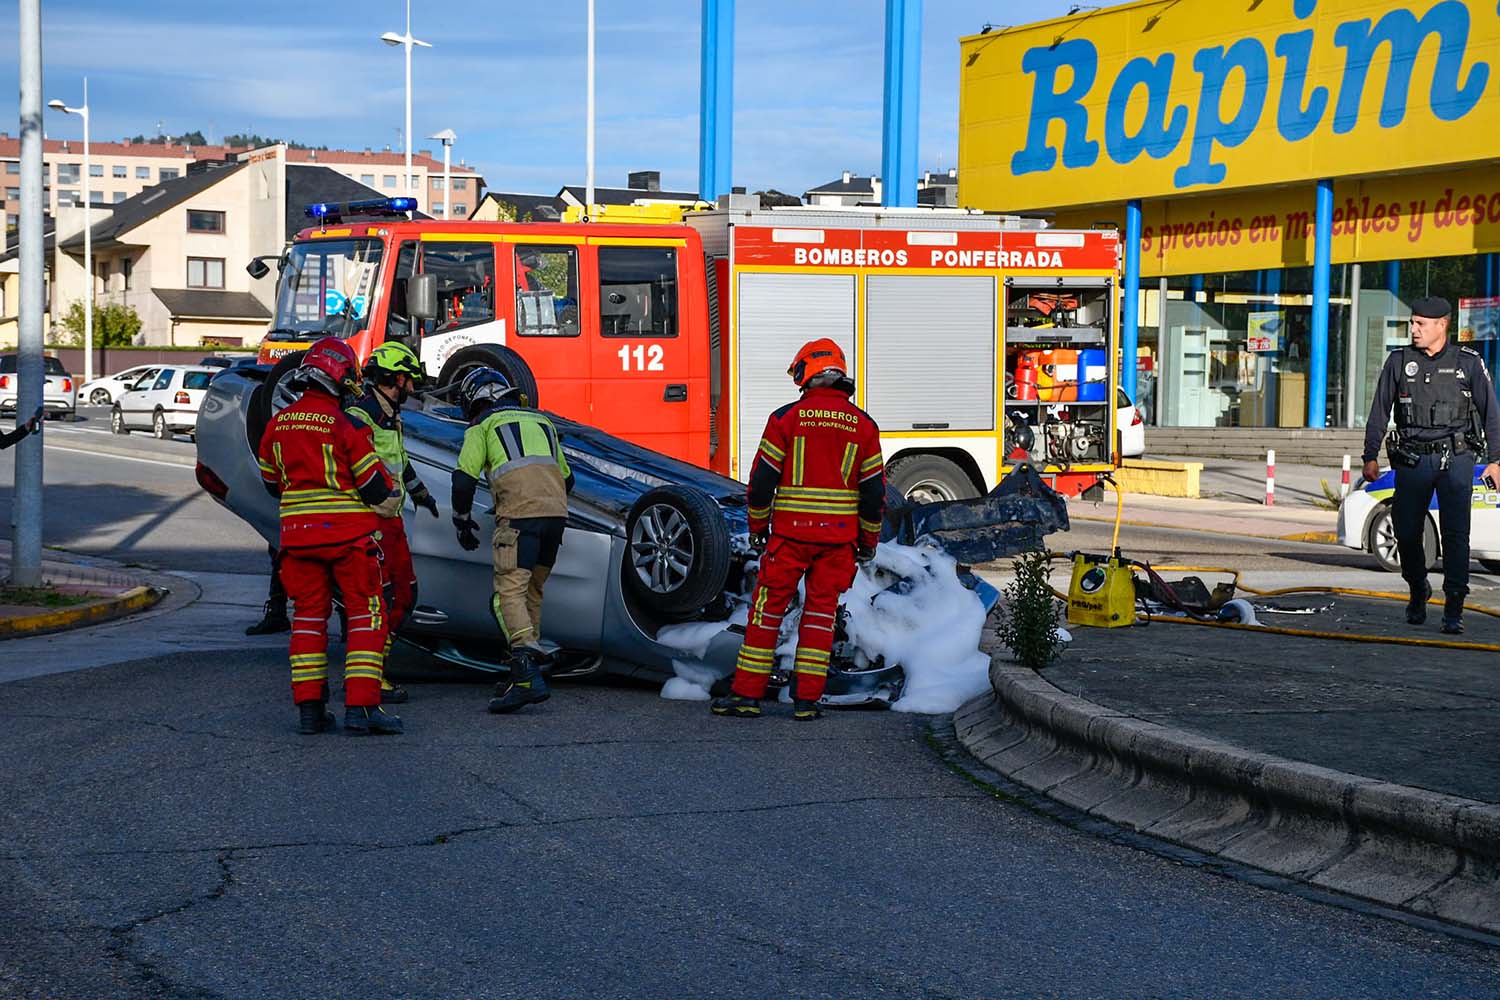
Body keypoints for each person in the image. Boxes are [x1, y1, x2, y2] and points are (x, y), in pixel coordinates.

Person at [712, 338, 885, 721]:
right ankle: (806, 702)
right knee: (821, 617)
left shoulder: (785, 418)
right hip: (838, 543)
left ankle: (746, 696)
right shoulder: (864, 425)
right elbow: (874, 493)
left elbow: (760, 481)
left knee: (766, 614)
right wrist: (867, 542)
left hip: (789, 539)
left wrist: (758, 526)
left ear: (807, 374)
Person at [257, 337, 402, 735]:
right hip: (348, 541)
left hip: (297, 542)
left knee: (306, 619)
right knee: (366, 616)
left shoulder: (277, 424)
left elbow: (271, 483)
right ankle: (361, 709)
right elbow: (375, 488)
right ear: (341, 379)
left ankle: (310, 712)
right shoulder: (345, 424)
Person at [1362, 296, 1500, 634]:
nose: (1414, 329)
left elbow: (1491, 412)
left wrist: (1496, 460)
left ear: (1442, 325)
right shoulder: (1399, 361)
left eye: (1421, 324)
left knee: (1456, 536)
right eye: (1413, 322)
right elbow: (1379, 410)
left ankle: (1454, 608)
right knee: (1406, 531)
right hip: (1412, 458)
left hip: (1457, 458)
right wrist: (1369, 455)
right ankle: (1417, 586)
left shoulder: (1467, 362)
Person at [450, 367, 573, 714]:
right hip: (556, 518)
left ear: (477, 400)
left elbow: (463, 480)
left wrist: (462, 521)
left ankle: (524, 674)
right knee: (533, 590)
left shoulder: (483, 426)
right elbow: (568, 477)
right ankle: (529, 668)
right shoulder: (543, 422)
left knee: (509, 593)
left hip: (519, 518)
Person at [345, 342, 440, 704]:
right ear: (396, 379)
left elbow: (399, 461)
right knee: (379, 600)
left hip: (391, 520)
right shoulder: (361, 414)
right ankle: (371, 676)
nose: (412, 389)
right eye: (410, 381)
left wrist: (421, 495)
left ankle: (376, 666)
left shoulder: (388, 415)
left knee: (404, 594)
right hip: (370, 522)